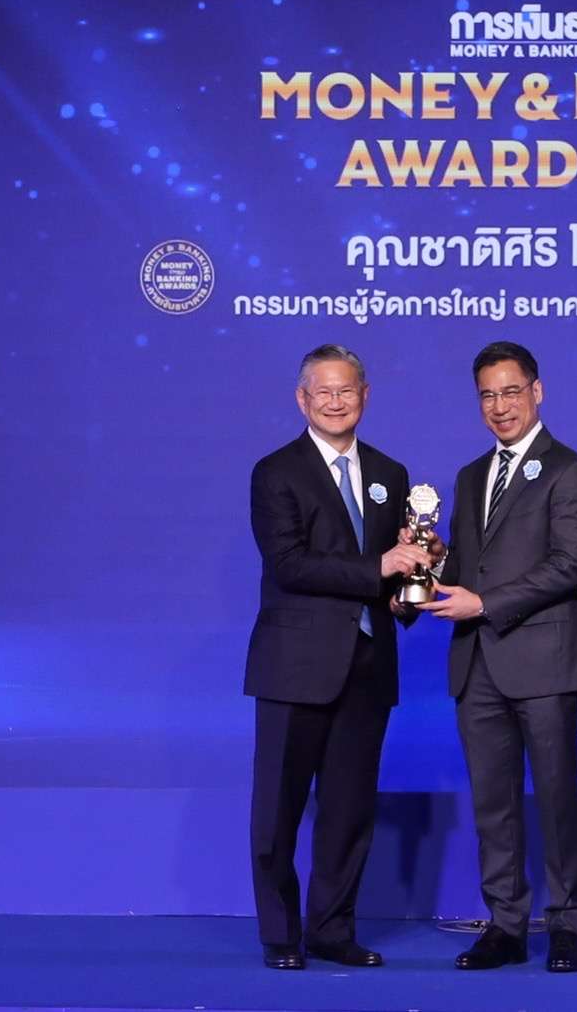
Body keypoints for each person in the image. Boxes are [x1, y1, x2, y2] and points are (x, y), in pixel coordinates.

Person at [245, 344, 432, 970]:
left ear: (365, 396)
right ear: (302, 399)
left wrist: (411, 586)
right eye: (322, 391)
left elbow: (395, 571)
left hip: (367, 666)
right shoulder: (276, 472)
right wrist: (379, 566)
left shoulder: (390, 473)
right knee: (278, 810)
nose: (334, 401)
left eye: (345, 390)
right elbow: (290, 565)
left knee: (349, 810)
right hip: (294, 667)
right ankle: (280, 933)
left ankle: (331, 929)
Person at [418, 341, 577, 973]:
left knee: (555, 798)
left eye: (512, 392)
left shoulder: (570, 471)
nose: (500, 406)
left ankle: (567, 925)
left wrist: (484, 603)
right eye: (488, 396)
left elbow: (568, 566)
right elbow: (471, 566)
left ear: (537, 392)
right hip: (478, 667)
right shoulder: (471, 476)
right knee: (492, 804)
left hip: (544, 662)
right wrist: (431, 565)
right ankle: (505, 925)